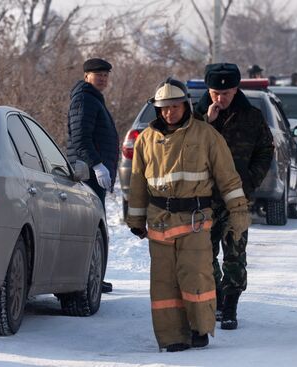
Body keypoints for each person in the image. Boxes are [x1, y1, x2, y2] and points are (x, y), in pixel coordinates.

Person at [126, 79, 250, 352]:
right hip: (159, 221)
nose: (169, 113)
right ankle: (172, 336)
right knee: (164, 284)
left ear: (186, 106)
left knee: (196, 277)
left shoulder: (206, 135)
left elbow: (228, 179)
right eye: (164, 108)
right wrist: (135, 220)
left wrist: (239, 213)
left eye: (175, 107)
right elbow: (136, 184)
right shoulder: (146, 139)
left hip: (194, 221)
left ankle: (199, 328)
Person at [194, 63, 274, 330]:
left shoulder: (251, 116)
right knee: (204, 253)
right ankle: (215, 295)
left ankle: (230, 305)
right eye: (216, 92)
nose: (221, 98)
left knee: (235, 253)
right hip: (202, 197)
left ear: (236, 89)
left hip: (237, 198)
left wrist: (251, 180)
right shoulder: (194, 116)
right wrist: (208, 121)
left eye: (226, 93)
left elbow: (265, 150)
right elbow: (183, 147)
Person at [67, 57, 118, 294]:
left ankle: (94, 278)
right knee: (90, 229)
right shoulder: (84, 99)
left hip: (94, 175)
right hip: (88, 175)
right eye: (98, 74)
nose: (103, 78)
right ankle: (86, 280)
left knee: (96, 228)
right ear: (87, 76)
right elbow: (80, 139)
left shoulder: (94, 99)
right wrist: (98, 165)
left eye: (106, 75)